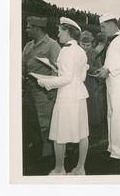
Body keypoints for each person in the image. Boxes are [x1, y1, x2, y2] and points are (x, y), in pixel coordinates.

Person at [37, 17, 89, 175]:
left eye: (60, 30)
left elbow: (66, 78)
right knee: (82, 133)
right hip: (79, 95)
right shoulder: (80, 50)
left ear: (67, 31)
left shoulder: (66, 50)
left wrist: (45, 82)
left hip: (67, 97)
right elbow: (81, 76)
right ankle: (80, 168)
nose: (58, 33)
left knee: (59, 133)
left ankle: (59, 169)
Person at [22, 16, 61, 159]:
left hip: (43, 91)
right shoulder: (28, 46)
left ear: (37, 28)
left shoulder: (52, 45)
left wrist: (52, 90)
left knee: (45, 121)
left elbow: (56, 69)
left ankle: (48, 152)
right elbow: (22, 66)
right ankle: (36, 146)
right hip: (28, 90)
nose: (26, 30)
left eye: (28, 27)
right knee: (31, 120)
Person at [97, 14, 120, 159]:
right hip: (112, 82)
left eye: (103, 26)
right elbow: (112, 61)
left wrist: (109, 70)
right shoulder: (114, 41)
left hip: (119, 83)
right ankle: (112, 147)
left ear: (112, 24)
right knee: (111, 114)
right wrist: (103, 69)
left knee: (118, 117)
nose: (101, 30)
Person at [79, 30, 104, 128]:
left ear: (92, 44)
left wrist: (88, 67)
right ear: (79, 42)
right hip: (78, 81)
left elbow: (98, 69)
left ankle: (91, 125)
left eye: (88, 45)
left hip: (89, 82)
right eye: (83, 44)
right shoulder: (76, 51)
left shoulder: (94, 53)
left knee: (90, 103)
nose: (85, 47)